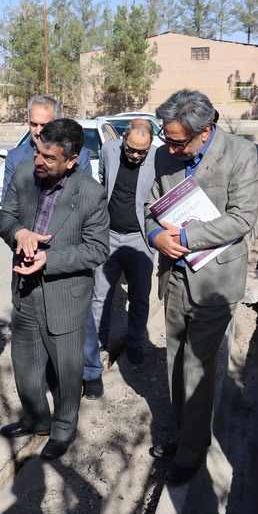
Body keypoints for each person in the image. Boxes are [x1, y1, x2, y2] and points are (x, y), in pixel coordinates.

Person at [145, 89, 258, 485]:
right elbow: (151, 208)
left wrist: (185, 237)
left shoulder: (240, 154)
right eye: (167, 139)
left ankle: (192, 452)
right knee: (175, 362)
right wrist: (155, 236)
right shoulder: (165, 154)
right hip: (175, 276)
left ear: (204, 131)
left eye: (178, 142)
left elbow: (242, 218)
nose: (170, 149)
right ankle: (185, 435)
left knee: (197, 368)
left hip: (215, 281)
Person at [0, 118, 109, 461]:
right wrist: (18, 232)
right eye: (37, 152)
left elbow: (97, 250)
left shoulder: (90, 193)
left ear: (71, 160)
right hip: (26, 291)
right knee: (26, 366)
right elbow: (2, 217)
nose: (38, 161)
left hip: (65, 297)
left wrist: (49, 259)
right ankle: (36, 418)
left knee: (67, 371)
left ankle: (63, 428)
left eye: (49, 157)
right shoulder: (23, 173)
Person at [83, 119, 157, 400]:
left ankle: (135, 342)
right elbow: (104, 182)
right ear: (123, 138)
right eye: (131, 149)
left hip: (140, 237)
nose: (135, 155)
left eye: (142, 151)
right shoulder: (108, 150)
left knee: (139, 295)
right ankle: (98, 345)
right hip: (109, 236)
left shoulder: (158, 157)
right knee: (100, 294)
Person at [2, 94, 92, 202]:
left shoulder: (80, 155)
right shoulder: (14, 157)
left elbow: (85, 200)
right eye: (33, 124)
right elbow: (8, 203)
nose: (38, 131)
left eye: (44, 125)